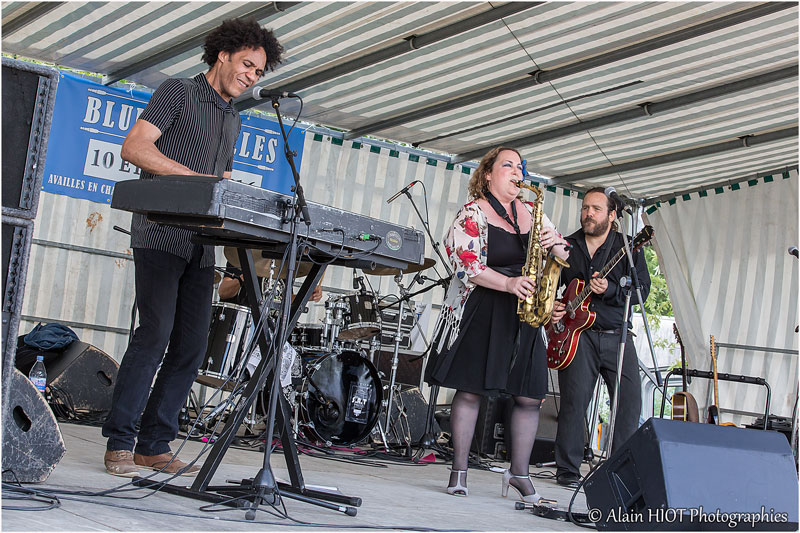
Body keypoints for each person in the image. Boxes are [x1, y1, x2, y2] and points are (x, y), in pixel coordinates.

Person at [101, 19, 284, 478]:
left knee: (191, 346)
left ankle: (153, 445)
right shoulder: (178, 91)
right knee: (154, 335)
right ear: (222, 54)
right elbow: (135, 148)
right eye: (247, 65)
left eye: (258, 71)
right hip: (160, 235)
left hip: (202, 248)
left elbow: (221, 185)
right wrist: (197, 179)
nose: (252, 76)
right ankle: (120, 441)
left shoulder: (233, 117)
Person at [424, 146, 570, 503]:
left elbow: (566, 255)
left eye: (520, 167)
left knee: (530, 396)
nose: (517, 172)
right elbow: (467, 265)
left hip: (526, 312)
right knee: (471, 390)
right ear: (487, 174)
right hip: (485, 306)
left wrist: (556, 244)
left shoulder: (533, 212)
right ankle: (459, 471)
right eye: (508, 165)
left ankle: (519, 474)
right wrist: (508, 283)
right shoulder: (473, 212)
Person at [553, 187, 650, 488]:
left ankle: (619, 473)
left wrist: (611, 289)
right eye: (585, 208)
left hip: (617, 335)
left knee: (629, 405)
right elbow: (551, 285)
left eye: (596, 209)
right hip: (578, 336)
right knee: (573, 403)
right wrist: (554, 306)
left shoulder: (628, 247)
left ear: (612, 214)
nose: (589, 214)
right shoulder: (567, 246)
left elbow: (643, 290)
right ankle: (567, 470)